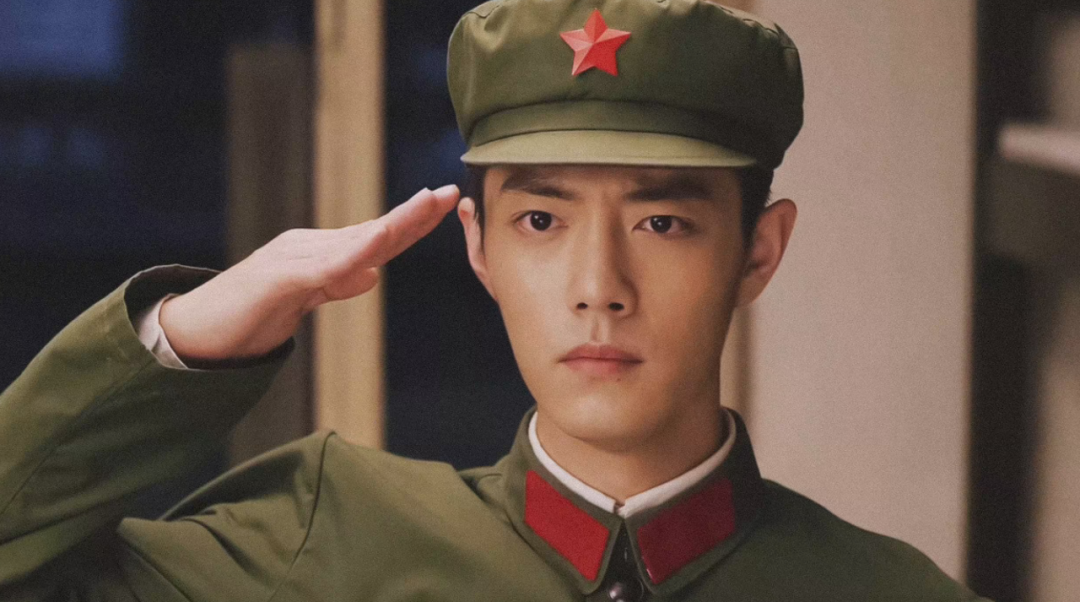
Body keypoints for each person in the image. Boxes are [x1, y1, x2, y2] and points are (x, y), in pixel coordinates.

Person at [0, 0, 991, 600]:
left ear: (758, 252)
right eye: (543, 221)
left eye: (662, 222)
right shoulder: (327, 545)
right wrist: (183, 338)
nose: (599, 289)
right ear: (478, 248)